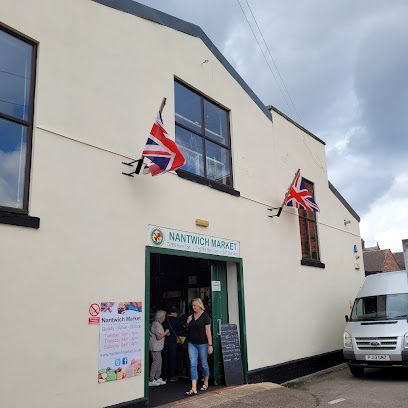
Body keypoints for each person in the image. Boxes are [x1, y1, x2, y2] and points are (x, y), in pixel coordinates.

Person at [185, 298, 213, 396]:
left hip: (203, 344)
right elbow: (188, 329)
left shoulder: (206, 316)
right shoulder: (191, 316)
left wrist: (210, 345)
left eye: (195, 305)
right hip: (191, 343)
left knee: (204, 364)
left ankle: (206, 382)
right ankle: (194, 388)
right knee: (193, 364)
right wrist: (188, 323)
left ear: (200, 305)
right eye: (192, 305)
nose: (193, 307)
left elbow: (208, 331)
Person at [149, 310, 169, 386]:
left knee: (159, 362)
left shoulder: (158, 324)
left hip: (158, 347)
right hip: (155, 347)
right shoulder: (156, 324)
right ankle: (152, 379)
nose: (165, 318)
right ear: (161, 317)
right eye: (164, 316)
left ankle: (157, 377)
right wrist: (166, 332)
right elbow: (159, 337)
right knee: (156, 362)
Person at [162, 305, 182, 382]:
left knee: (165, 358)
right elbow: (181, 330)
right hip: (173, 341)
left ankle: (164, 375)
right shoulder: (177, 320)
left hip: (165, 341)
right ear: (174, 313)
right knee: (172, 358)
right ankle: (172, 375)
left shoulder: (164, 320)